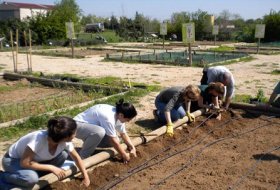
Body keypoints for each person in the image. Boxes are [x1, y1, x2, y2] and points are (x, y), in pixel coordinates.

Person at [0, 116, 90, 189]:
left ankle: (37, 173)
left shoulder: (64, 141)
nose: (75, 134)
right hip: (13, 160)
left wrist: (85, 176)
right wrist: (51, 167)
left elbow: (76, 158)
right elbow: (24, 163)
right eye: (74, 132)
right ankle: (3, 177)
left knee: (63, 155)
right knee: (31, 178)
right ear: (65, 137)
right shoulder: (38, 140)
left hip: (34, 161)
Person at [74, 99, 137, 163]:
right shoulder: (109, 118)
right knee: (100, 132)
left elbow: (123, 133)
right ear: (121, 115)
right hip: (77, 126)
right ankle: (82, 156)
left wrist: (132, 147)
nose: (128, 121)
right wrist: (123, 154)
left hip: (90, 129)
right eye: (128, 119)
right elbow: (112, 140)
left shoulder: (119, 114)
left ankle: (89, 145)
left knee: (117, 140)